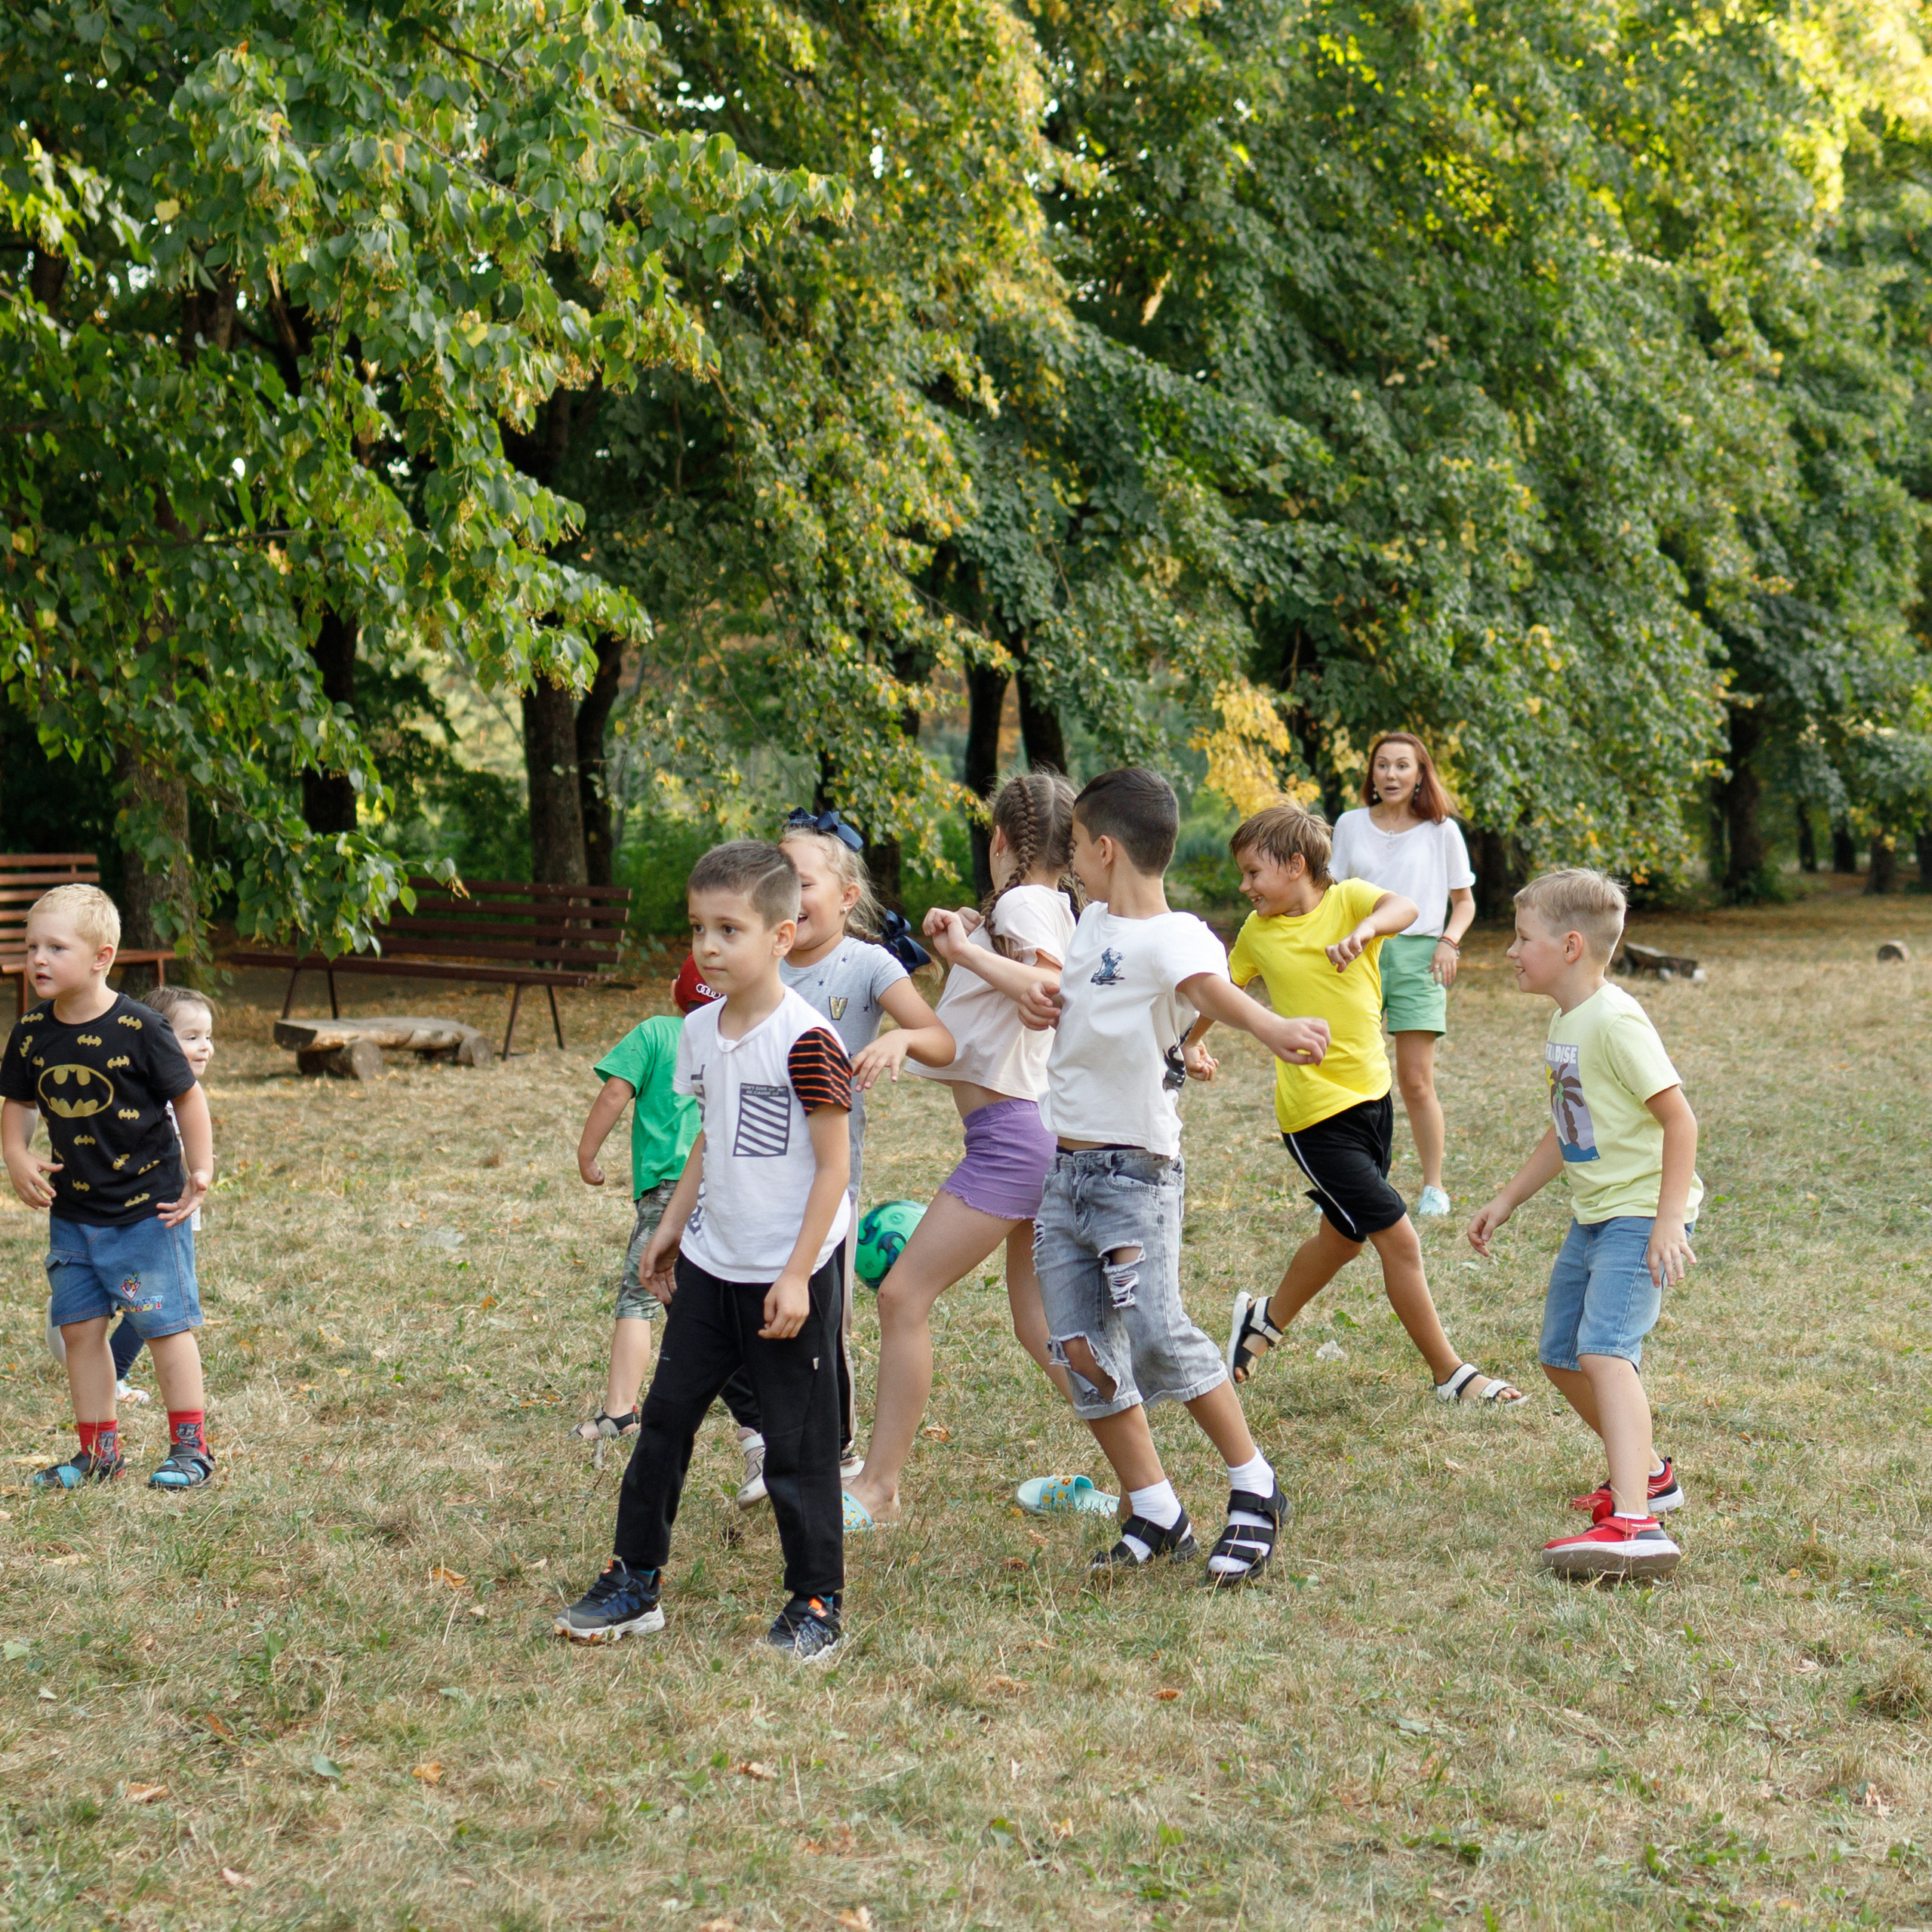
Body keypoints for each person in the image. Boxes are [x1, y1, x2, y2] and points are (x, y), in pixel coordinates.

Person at [1017, 768, 1332, 1586]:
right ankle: (1155, 1506)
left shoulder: (1177, 933)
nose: (1075, 861)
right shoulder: (1089, 925)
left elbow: (1209, 991)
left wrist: (1271, 1026)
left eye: (1079, 847)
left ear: (1105, 846)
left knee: (1158, 1333)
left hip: (1134, 1175)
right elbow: (1086, 1000)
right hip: (1067, 1173)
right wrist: (1041, 1004)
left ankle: (1255, 1487)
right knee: (1081, 1348)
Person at [554, 841, 855, 1660]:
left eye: (729, 929)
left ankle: (817, 1603)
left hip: (786, 1277)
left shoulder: (808, 1039)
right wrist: (670, 1229)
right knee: (663, 1425)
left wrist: (797, 1275)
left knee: (798, 1446)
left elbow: (835, 1166)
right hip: (712, 1267)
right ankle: (635, 1580)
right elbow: (710, 1142)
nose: (708, 947)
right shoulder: (696, 1030)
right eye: (698, 929)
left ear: (782, 937)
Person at [1214, 804, 1525, 1409]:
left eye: (1253, 873)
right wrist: (1193, 1045)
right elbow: (1222, 992)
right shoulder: (1258, 934)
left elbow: (1403, 909)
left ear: (1296, 865)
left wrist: (1363, 933)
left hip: (1373, 1102)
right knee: (1397, 1237)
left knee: (1343, 1237)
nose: (1245, 886)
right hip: (1313, 1117)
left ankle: (1262, 1322)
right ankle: (1452, 1375)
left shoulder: (1351, 899)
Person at [842, 771, 1083, 1531]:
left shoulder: (1021, 902)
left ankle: (878, 1488)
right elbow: (1002, 1010)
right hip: (1030, 1129)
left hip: (1012, 1138)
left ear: (1002, 840)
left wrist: (973, 951)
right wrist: (961, 945)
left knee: (900, 1296)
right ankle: (1141, 1475)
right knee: (1038, 1324)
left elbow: (1047, 993)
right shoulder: (1049, 906)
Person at [1466, 869, 1699, 1579]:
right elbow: (1568, 1128)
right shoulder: (1565, 1021)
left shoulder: (1616, 1020)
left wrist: (1666, 1224)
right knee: (1561, 1356)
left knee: (1604, 1352)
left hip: (1636, 1215)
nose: (1510, 951)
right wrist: (1507, 1199)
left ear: (1570, 946)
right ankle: (1654, 1474)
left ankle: (1636, 1521)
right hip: (1594, 1212)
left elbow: (1680, 1120)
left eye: (1522, 938)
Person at [1, 885, 215, 1490]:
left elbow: (188, 1097)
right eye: (31, 946)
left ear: (101, 957)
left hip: (149, 1210)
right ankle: (99, 1455)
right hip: (73, 1213)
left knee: (162, 1325)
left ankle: (191, 1450)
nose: (37, 959)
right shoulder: (31, 1033)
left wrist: (201, 1167)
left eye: (56, 947)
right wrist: (15, 1152)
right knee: (80, 1330)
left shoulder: (140, 1027)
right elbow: (17, 1102)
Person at [776, 808, 954, 1478]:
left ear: (847, 896)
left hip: (828, 1179)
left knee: (823, 1323)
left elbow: (941, 1039)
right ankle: (763, 1442)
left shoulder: (865, 964)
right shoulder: (755, 959)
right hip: (748, 1171)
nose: (786, 900)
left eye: (801, 883)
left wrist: (901, 1038)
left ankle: (837, 1451)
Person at [573, 955, 754, 1478]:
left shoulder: (654, 1033)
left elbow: (614, 1092)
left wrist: (588, 1154)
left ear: (678, 989)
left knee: (641, 1292)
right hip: (724, 1183)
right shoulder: (736, 1037)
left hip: (667, 1190)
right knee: (721, 1290)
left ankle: (619, 1412)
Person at [44, 983, 217, 1406]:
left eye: (208, 1037)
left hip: (168, 1211)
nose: (205, 1048)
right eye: (191, 1037)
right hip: (127, 1214)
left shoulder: (183, 1095)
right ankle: (108, 1366)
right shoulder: (142, 1092)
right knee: (139, 1303)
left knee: (152, 1305)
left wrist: (201, 1171)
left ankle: (111, 1365)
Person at [1328, 733, 1476, 1217]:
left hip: (1419, 959)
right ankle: (1354, 1183)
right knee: (1351, 1074)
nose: (1391, 775)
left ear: (1419, 775)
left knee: (1414, 1081)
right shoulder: (1349, 825)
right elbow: (1331, 894)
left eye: (1402, 766)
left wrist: (1448, 942)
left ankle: (1434, 1187)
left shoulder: (1441, 831)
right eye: (1383, 766)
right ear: (1371, 773)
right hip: (1359, 953)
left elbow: (1464, 902)